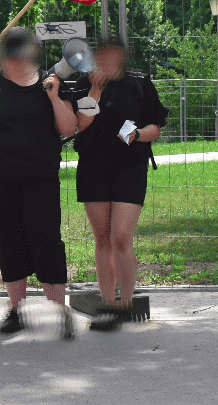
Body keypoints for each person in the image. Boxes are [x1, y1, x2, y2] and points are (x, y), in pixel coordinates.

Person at [0, 26, 79, 339]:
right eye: (11, 55)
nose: (16, 61)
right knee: (10, 240)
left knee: (46, 239)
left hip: (40, 177)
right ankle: (17, 311)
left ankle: (58, 311)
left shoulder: (51, 82)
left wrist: (53, 97)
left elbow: (69, 128)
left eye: (22, 54)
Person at [67, 37, 168, 332]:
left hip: (130, 167)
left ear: (123, 58)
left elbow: (156, 127)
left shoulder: (140, 83)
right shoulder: (84, 83)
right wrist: (96, 91)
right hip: (93, 167)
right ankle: (108, 305)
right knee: (102, 239)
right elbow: (81, 124)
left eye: (113, 57)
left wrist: (137, 135)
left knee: (121, 237)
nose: (107, 62)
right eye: (103, 56)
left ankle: (126, 304)